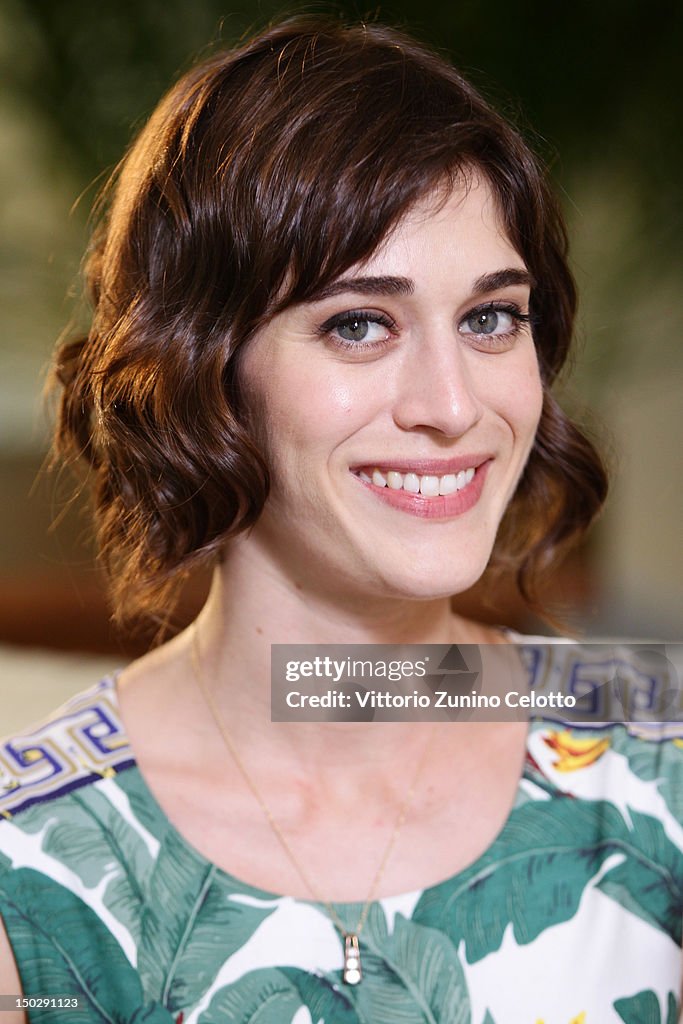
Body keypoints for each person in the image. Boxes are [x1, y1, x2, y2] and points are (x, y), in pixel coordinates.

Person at [1, 15, 681, 1023]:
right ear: (202, 370)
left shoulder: (653, 757)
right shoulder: (37, 873)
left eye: (489, 317)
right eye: (358, 323)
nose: (452, 407)